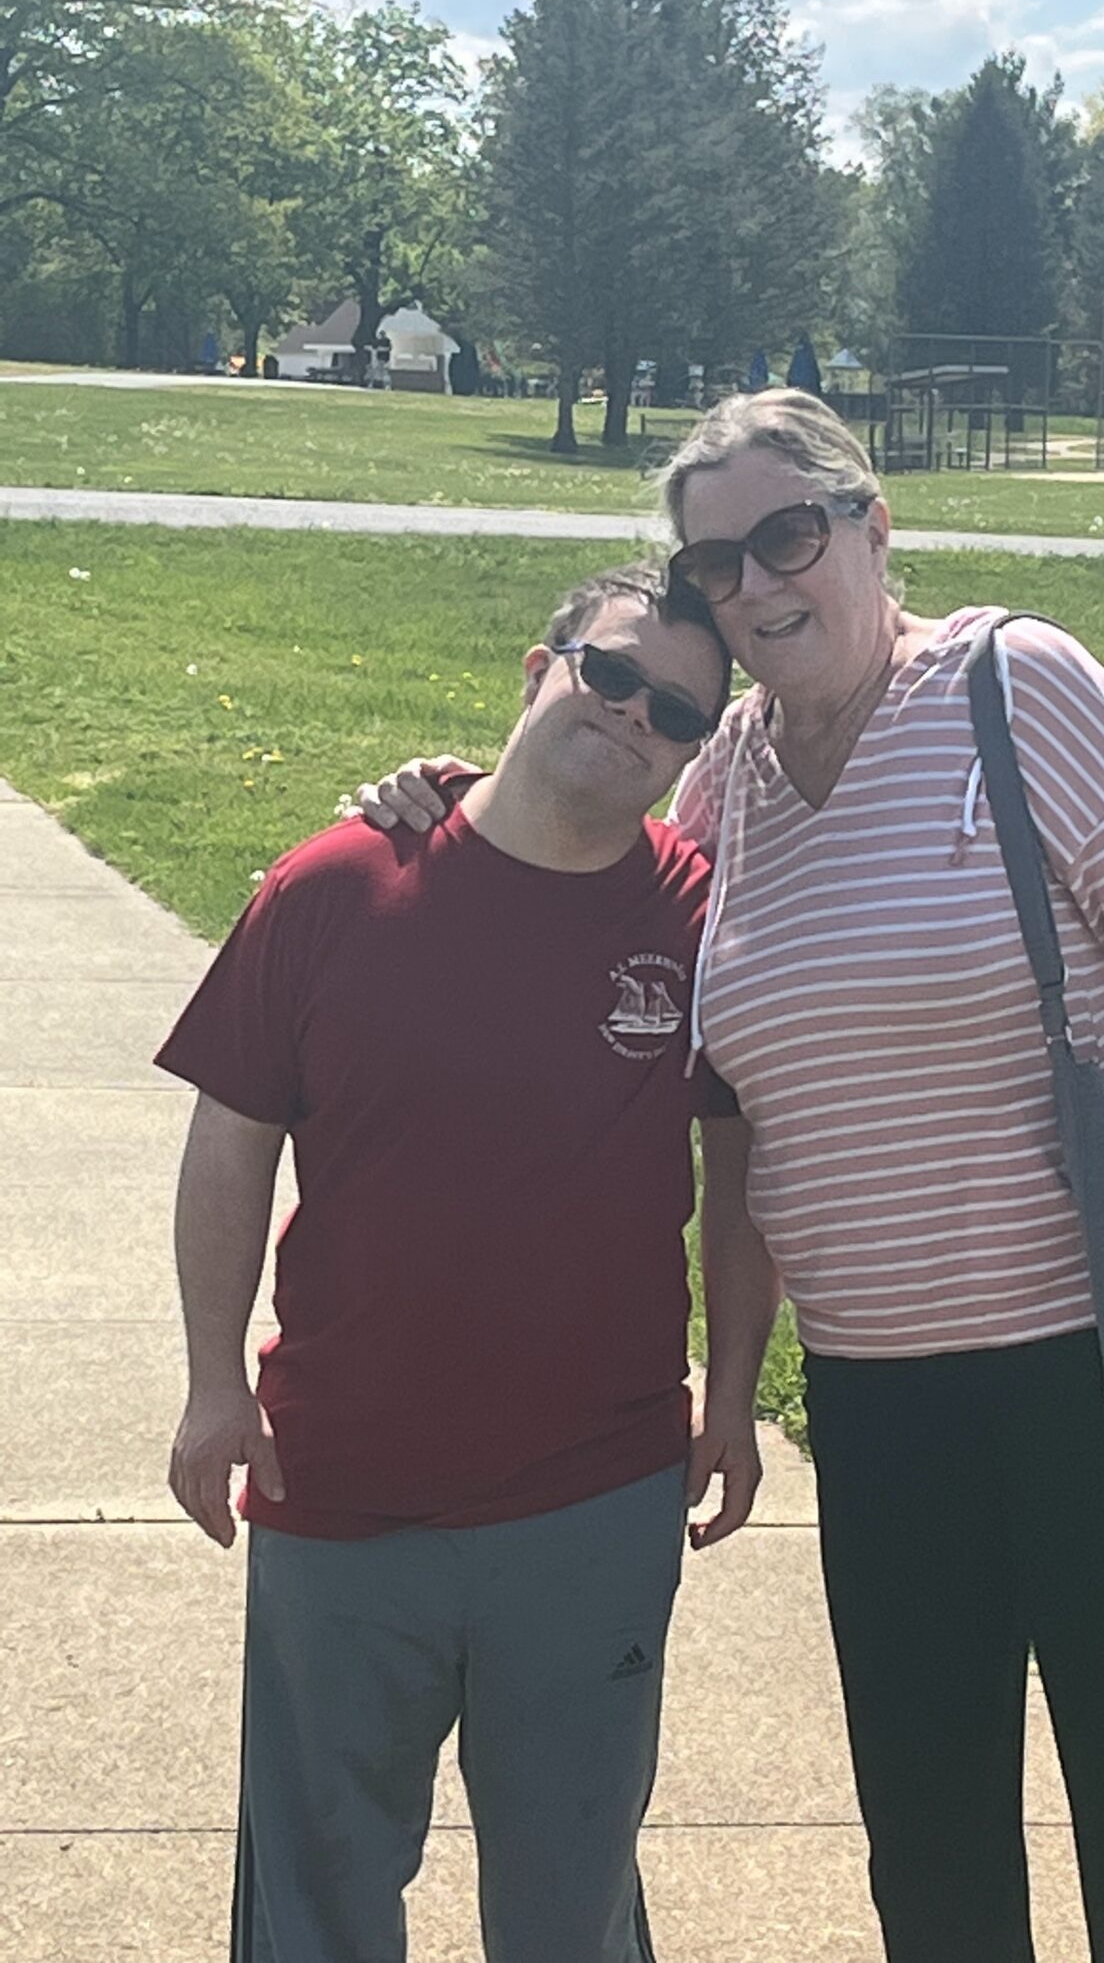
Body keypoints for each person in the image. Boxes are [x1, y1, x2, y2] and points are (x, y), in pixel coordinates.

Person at [359, 391, 1104, 1963]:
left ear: (873, 528)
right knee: (926, 1820)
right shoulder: (722, 775)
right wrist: (437, 810)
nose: (754, 584)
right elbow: (621, 951)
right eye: (715, 560)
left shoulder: (1019, 685)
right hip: (875, 1393)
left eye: (787, 535)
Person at [158, 564, 779, 1963]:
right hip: (339, 1485)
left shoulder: (705, 922)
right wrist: (212, 1386)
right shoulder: (336, 884)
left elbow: (749, 1180)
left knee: (569, 1899)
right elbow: (229, 1139)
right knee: (315, 1895)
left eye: (673, 711)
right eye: (608, 674)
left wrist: (732, 1394)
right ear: (536, 665)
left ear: (694, 751)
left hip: (595, 1498)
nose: (630, 718)